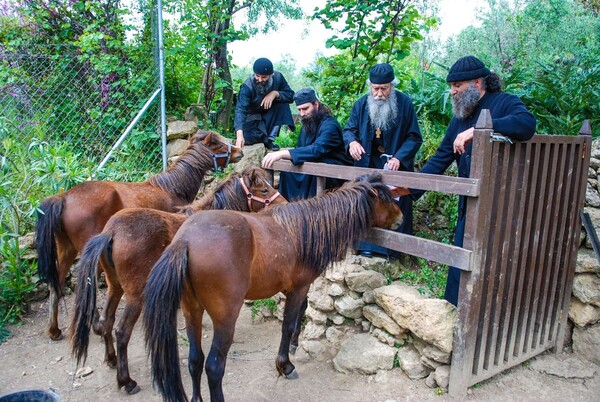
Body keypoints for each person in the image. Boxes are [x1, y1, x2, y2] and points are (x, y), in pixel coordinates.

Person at [407, 55, 536, 306]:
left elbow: (526, 125)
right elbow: (441, 157)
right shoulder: (460, 117)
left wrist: (480, 130)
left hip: (502, 204)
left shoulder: (505, 103)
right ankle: (454, 313)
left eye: (457, 86)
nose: (452, 92)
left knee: (493, 264)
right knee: (460, 260)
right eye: (452, 86)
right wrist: (410, 187)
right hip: (471, 203)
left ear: (477, 82)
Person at [343, 62, 422, 258]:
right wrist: (352, 142)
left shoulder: (404, 103)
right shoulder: (361, 104)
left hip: (394, 165)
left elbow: (414, 137)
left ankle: (393, 251)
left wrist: (400, 158)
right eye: (375, 88)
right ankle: (365, 246)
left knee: (392, 202)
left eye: (384, 88)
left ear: (391, 86)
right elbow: (348, 130)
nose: (379, 93)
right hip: (368, 165)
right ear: (370, 86)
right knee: (366, 204)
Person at [262, 88, 353, 200]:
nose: (302, 114)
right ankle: (288, 208)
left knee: (314, 169)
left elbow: (317, 149)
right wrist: (286, 156)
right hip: (313, 166)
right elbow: (301, 149)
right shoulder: (308, 125)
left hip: (333, 173)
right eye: (299, 110)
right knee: (287, 171)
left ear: (316, 104)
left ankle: (307, 211)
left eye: (305, 109)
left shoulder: (330, 125)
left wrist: (283, 153)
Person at [234, 57, 295, 151]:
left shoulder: (278, 77)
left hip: (269, 115)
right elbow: (240, 110)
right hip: (252, 119)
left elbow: (290, 95)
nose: (260, 79)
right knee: (246, 137)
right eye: (257, 76)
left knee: (283, 104)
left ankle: (270, 140)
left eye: (264, 77)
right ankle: (263, 139)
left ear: (271, 75)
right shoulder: (247, 86)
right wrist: (239, 135)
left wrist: (275, 93)